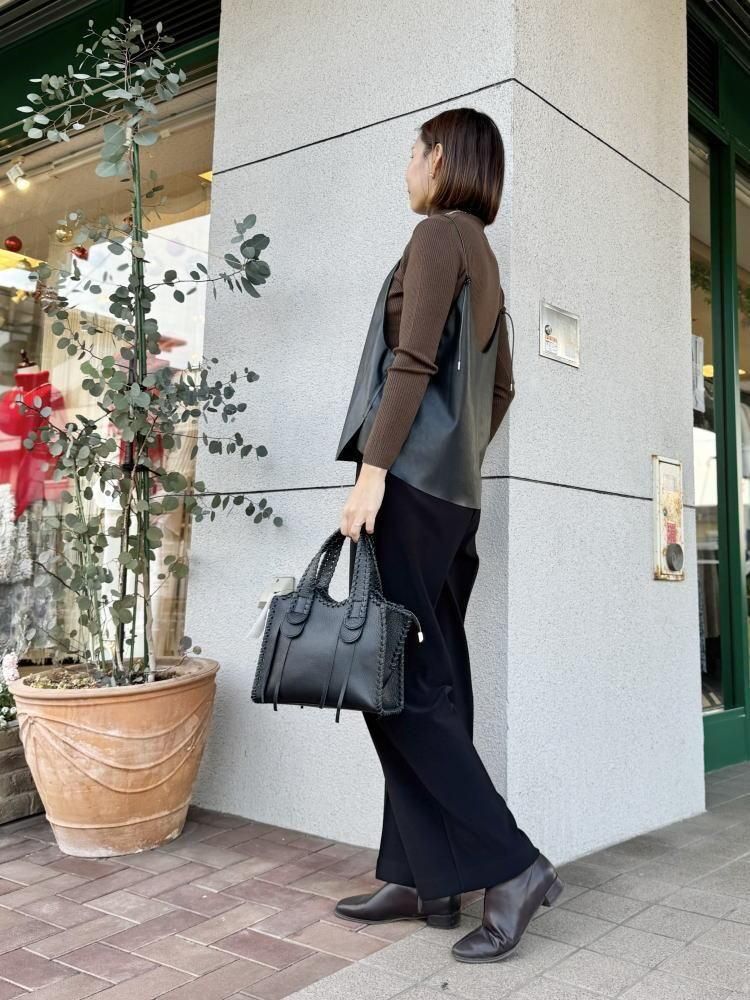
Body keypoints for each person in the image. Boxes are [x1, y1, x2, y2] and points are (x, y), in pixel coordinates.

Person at [332, 108, 564, 964]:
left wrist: (376, 470)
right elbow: (501, 390)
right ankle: (422, 876)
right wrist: (457, 459)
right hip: (453, 501)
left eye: (414, 151)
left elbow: (412, 362)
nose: (407, 166)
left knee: (397, 686)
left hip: (409, 492)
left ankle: (513, 866)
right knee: (431, 681)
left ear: (441, 160)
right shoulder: (484, 258)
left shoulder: (437, 237)